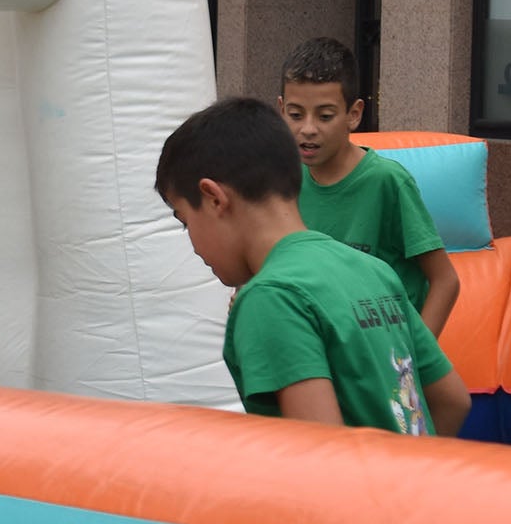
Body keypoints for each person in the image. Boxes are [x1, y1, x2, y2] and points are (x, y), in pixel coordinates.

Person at [158, 97, 469, 435]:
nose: (192, 243)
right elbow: (453, 400)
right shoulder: (374, 270)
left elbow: (321, 452)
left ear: (214, 198)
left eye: (185, 221)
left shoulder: (271, 297)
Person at [279, 36, 460, 339]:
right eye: (296, 115)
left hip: (383, 361)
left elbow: (445, 280)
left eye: (325, 116)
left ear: (354, 114)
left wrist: (418, 358)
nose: (308, 128)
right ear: (281, 109)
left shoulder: (387, 182)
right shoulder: (283, 179)